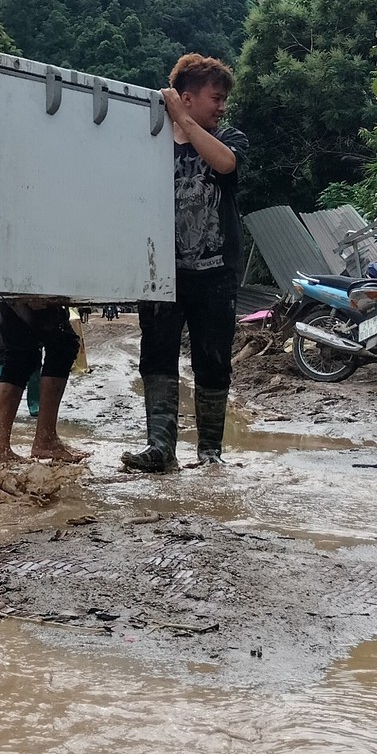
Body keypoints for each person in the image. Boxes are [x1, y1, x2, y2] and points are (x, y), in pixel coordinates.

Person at [122, 53, 251, 473]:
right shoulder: (150, 141)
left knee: (212, 358)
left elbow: (225, 163)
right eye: (216, 97)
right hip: (161, 274)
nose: (222, 105)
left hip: (215, 272)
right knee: (156, 356)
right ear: (187, 97)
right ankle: (161, 448)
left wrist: (186, 122)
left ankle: (210, 451)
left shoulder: (230, 137)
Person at [0, 301, 88, 463]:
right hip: (34, 288)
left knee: (20, 355)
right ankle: (45, 439)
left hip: (9, 289)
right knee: (62, 345)